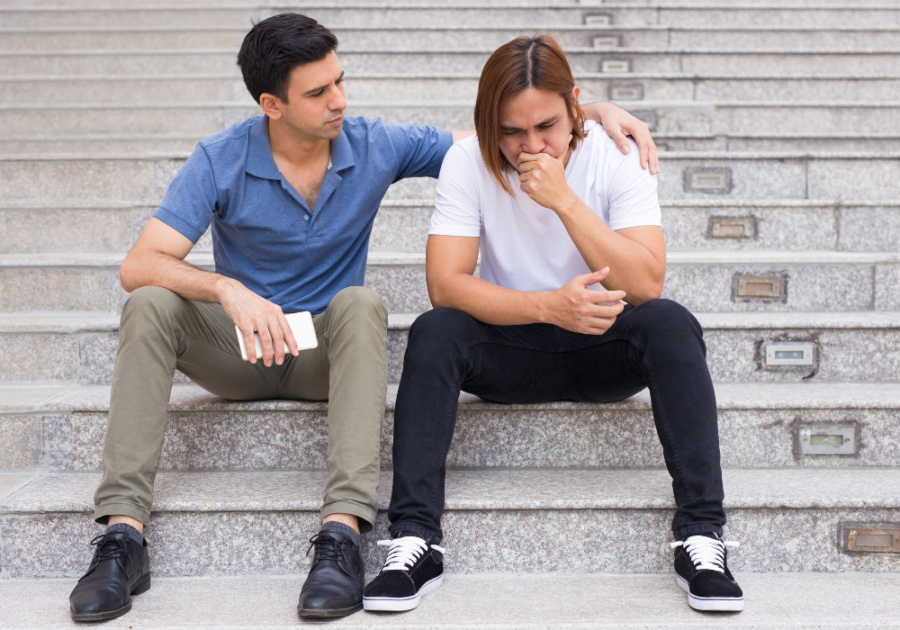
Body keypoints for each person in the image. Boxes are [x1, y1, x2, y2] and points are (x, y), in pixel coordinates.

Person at [66, 15, 661, 622]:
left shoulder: (372, 143)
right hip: (240, 350)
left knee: (361, 303)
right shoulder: (220, 159)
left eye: (339, 82)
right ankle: (122, 538)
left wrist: (591, 112)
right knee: (149, 302)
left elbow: (497, 135)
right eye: (318, 92)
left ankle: (343, 535)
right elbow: (139, 263)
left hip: (328, 351)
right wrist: (225, 288)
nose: (339, 101)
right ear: (272, 104)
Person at [364, 34, 744, 614]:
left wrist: (565, 200)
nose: (529, 147)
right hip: (511, 348)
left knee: (670, 323)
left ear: (575, 108)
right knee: (436, 329)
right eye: (511, 132)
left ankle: (701, 536)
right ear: (489, 124)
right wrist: (546, 305)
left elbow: (645, 283)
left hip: (601, 345)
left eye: (546, 126)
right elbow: (446, 285)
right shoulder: (468, 162)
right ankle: (415, 539)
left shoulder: (617, 154)